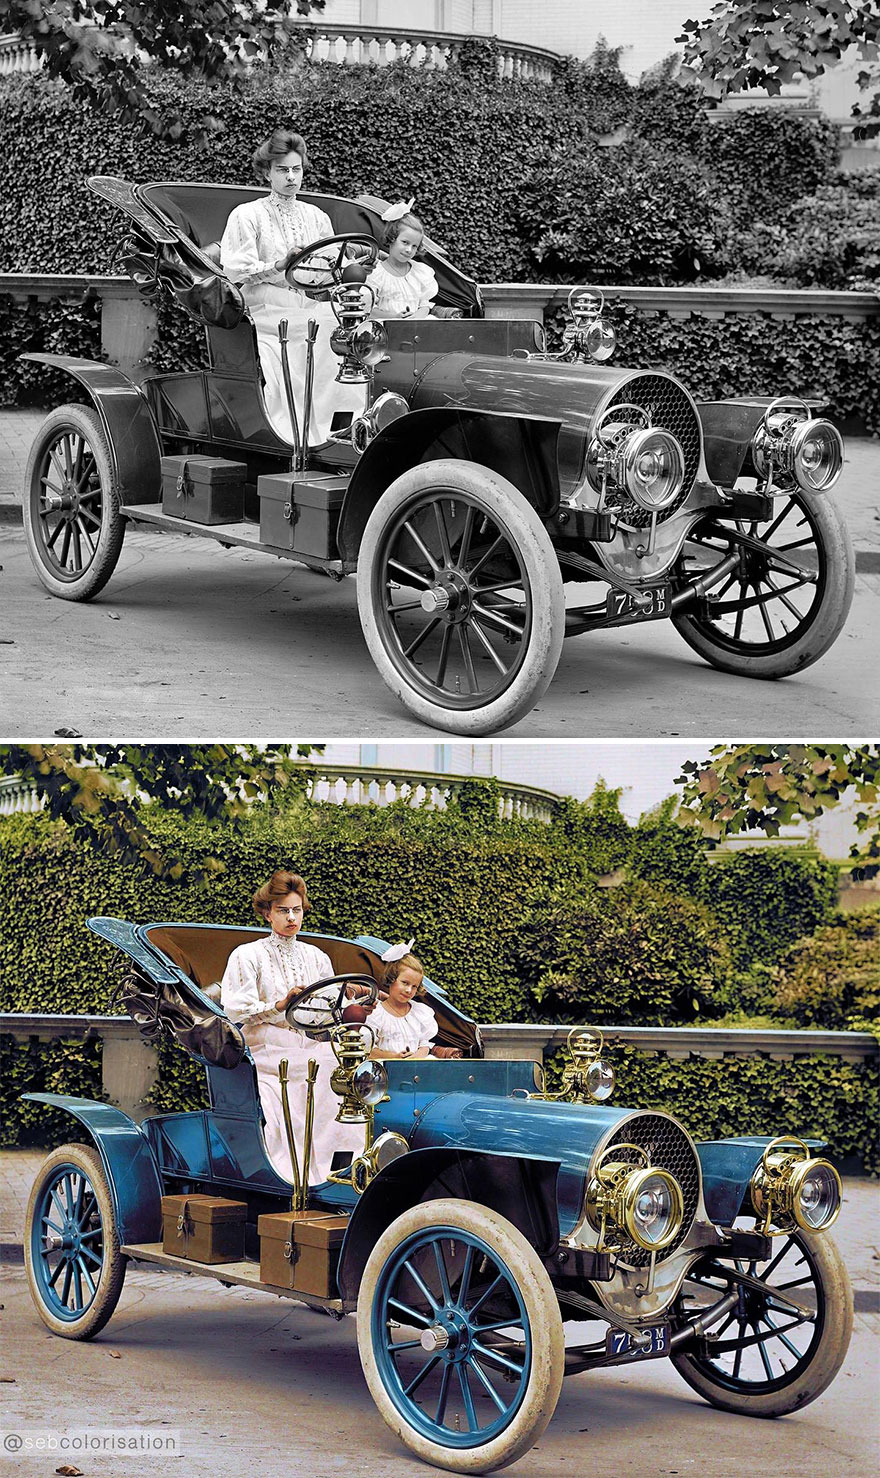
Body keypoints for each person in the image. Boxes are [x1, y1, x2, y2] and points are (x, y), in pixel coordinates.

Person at [219, 128, 366, 445]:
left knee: (350, 328)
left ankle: (342, 424)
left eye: (296, 169)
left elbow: (329, 267)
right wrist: (278, 266)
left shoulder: (317, 216)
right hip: (260, 302)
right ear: (267, 172)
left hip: (306, 301)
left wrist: (346, 263)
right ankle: (300, 432)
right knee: (315, 327)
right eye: (282, 170)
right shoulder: (248, 214)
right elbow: (235, 271)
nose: (290, 177)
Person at [220, 869, 364, 1184]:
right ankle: (302, 1175)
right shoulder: (248, 955)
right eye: (283, 910)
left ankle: (341, 1168)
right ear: (267, 913)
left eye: (296, 910)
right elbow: (235, 1009)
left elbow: (329, 1008)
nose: (291, 917)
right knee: (321, 1067)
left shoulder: (317, 957)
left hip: (309, 1042)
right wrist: (280, 1007)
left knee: (348, 1070)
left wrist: (349, 1000)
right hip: (263, 1045)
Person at [369, 951, 461, 1060]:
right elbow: (368, 1051)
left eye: (414, 986)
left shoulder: (419, 1012)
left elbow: (424, 1044)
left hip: (416, 1067)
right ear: (391, 979)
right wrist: (395, 1057)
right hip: (387, 1068)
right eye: (405, 983)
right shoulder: (376, 1013)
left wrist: (417, 1057)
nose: (409, 990)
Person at [365, 203, 439, 321]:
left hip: (415, 327)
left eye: (414, 246)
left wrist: (417, 316)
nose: (409, 250)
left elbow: (424, 305)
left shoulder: (420, 272)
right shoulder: (376, 274)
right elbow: (369, 310)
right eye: (405, 242)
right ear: (391, 238)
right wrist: (395, 317)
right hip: (387, 327)